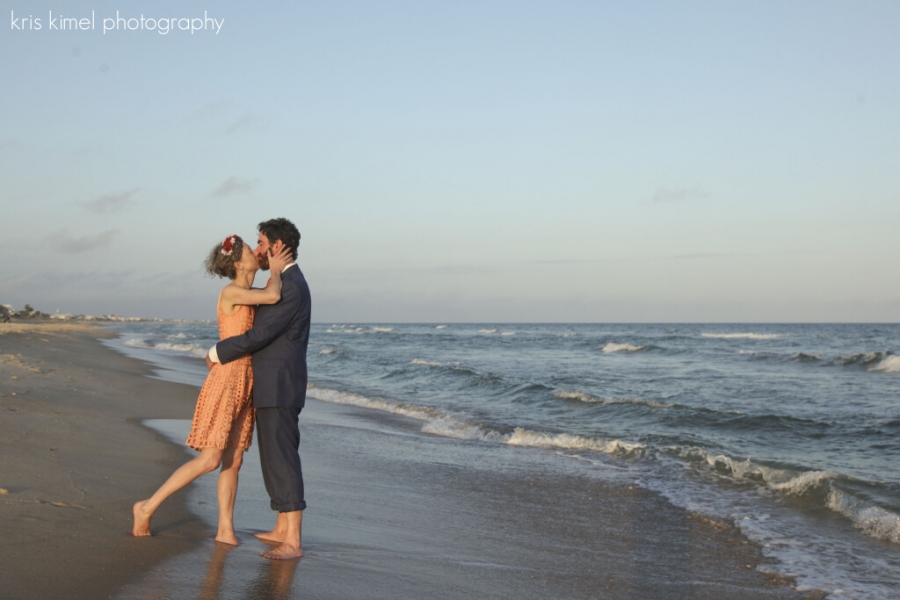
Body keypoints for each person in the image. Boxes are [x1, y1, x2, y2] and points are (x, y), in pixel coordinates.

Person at [132, 234, 291, 545]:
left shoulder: (247, 292)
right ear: (238, 262)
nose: (256, 254)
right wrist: (276, 268)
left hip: (246, 382)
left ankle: (225, 530)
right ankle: (146, 507)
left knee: (234, 461)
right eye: (250, 250)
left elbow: (269, 301)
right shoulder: (231, 291)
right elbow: (273, 297)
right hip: (227, 380)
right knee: (211, 459)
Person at [207, 218, 311, 561]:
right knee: (272, 457)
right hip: (269, 383)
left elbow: (259, 336)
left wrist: (218, 352)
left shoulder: (291, 285)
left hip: (279, 384)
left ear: (278, 246)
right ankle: (281, 527)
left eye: (262, 242)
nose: (259, 248)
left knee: (283, 457)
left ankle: (292, 541)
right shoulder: (280, 281)